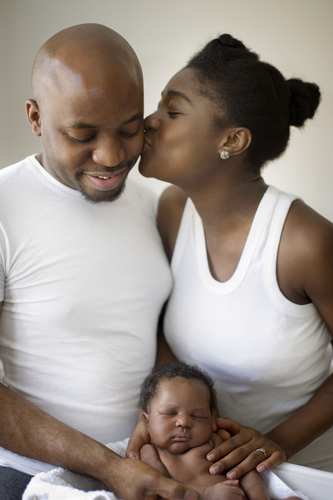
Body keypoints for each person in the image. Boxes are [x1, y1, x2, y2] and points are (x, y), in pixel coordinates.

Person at [0, 23, 201, 500]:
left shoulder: (152, 206)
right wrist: (108, 467)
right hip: (28, 477)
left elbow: (148, 332)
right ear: (34, 117)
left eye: (130, 130)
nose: (111, 157)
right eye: (81, 134)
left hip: (144, 468)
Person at [128, 34, 333, 479]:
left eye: (172, 110)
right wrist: (158, 418)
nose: (150, 121)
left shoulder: (304, 242)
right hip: (205, 477)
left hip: (304, 478)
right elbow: (162, 330)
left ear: (233, 140)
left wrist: (277, 442)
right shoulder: (173, 211)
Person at [139, 361, 301, 500]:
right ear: (147, 421)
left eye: (198, 415)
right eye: (170, 413)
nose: (184, 422)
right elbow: (160, 488)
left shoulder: (215, 443)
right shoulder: (150, 453)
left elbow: (246, 473)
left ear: (211, 419)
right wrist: (207, 494)